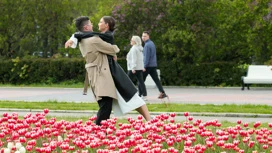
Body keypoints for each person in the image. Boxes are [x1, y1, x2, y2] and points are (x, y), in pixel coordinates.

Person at [65, 16, 151, 124]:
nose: (95, 24)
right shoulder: (94, 40)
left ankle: (100, 130)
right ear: (86, 27)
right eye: (91, 23)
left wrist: (73, 37)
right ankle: (99, 130)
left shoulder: (84, 40)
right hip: (105, 74)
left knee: (120, 100)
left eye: (100, 22)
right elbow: (114, 49)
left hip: (103, 74)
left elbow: (82, 35)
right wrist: (113, 51)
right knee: (111, 103)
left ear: (107, 25)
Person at [141, 31, 168, 99]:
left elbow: (147, 57)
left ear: (148, 36)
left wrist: (144, 66)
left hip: (148, 66)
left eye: (145, 36)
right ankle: (162, 92)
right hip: (153, 65)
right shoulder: (152, 43)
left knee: (141, 80)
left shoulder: (147, 45)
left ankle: (140, 94)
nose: (143, 37)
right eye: (142, 36)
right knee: (156, 80)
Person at [126, 36, 147, 101]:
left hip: (133, 68)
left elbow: (134, 59)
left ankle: (128, 94)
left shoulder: (134, 49)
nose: (130, 41)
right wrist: (142, 67)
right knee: (141, 82)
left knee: (127, 81)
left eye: (132, 40)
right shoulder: (139, 48)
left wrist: (133, 68)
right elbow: (141, 59)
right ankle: (143, 95)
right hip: (139, 67)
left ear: (135, 41)